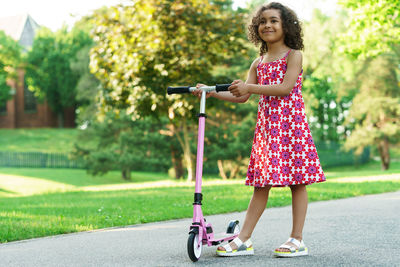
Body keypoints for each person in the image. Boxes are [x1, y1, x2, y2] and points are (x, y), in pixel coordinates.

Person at [193, 2, 326, 258]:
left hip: (291, 128)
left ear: (286, 26)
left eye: (274, 20)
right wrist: (211, 92)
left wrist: (248, 88)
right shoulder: (258, 61)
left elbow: (285, 88)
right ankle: (243, 239)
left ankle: (297, 239)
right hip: (267, 130)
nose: (268, 25)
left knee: (297, 183)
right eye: (263, 21)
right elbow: (241, 96)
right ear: (257, 28)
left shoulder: (293, 55)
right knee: (261, 184)